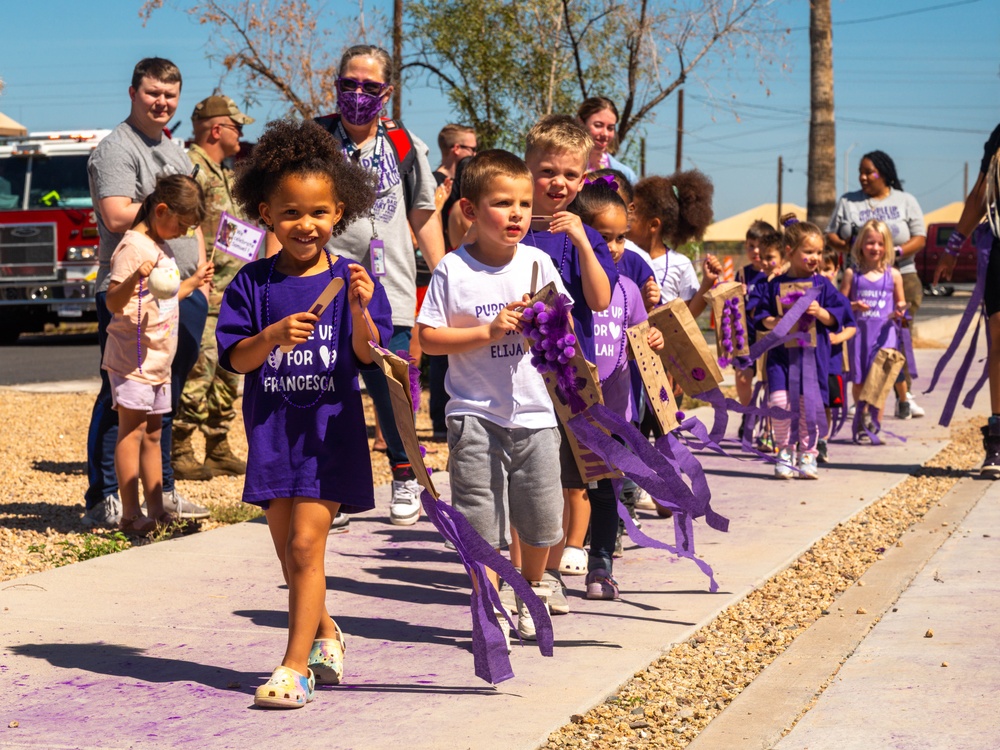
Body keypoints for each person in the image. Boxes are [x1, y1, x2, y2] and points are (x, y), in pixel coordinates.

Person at [216, 119, 392, 709]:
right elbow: (236, 359)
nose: (305, 225)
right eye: (291, 212)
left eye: (318, 212)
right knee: (288, 550)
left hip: (328, 435)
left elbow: (371, 354)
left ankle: (295, 668)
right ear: (265, 212)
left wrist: (364, 311)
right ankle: (326, 632)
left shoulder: (351, 279)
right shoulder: (252, 283)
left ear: (339, 211)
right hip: (272, 434)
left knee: (304, 547)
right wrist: (270, 335)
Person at [416, 149, 567, 642]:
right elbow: (428, 339)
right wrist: (487, 330)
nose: (518, 213)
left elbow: (563, 329)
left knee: (543, 518)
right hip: (473, 414)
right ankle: (493, 599)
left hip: (537, 413)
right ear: (469, 211)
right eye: (503, 202)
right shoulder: (452, 271)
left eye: (524, 202)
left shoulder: (538, 263)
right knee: (482, 522)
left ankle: (534, 587)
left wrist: (543, 323)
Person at [314, 44, 446, 526]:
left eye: (369, 86)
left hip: (388, 286)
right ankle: (338, 486)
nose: (357, 94)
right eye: (349, 83)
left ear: (386, 93)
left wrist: (447, 274)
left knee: (391, 387)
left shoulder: (406, 146)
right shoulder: (315, 141)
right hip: (323, 284)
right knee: (331, 387)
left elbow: (423, 215)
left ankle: (405, 475)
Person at [84, 57, 212, 527]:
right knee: (119, 398)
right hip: (131, 296)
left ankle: (163, 493)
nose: (162, 102)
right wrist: (167, 209)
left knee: (164, 395)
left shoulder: (176, 151)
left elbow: (192, 214)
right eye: (153, 93)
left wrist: (196, 266)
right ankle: (108, 497)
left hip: (179, 294)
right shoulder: (116, 150)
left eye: (170, 95)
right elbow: (117, 214)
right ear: (133, 92)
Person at [520, 114, 617, 612]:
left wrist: (582, 241)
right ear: (527, 167)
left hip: (566, 376)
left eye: (570, 175)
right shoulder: (509, 226)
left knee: (564, 477)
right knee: (524, 476)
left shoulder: (582, 235)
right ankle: (522, 572)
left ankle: (551, 571)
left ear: (583, 179)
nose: (558, 183)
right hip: (514, 373)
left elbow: (600, 301)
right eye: (547, 171)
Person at [567, 177, 664, 598]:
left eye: (622, 237)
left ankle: (601, 565)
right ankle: (558, 555)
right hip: (572, 409)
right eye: (604, 237)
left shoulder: (627, 290)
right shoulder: (571, 287)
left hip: (616, 412)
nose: (617, 247)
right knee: (570, 486)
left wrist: (652, 338)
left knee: (606, 489)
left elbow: (642, 337)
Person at [104, 175, 211, 535]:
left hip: (158, 360)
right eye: (180, 225)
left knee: (153, 433)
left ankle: (157, 510)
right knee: (131, 433)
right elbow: (113, 301)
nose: (181, 233)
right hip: (133, 360)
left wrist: (193, 283)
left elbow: (161, 300)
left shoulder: (160, 246)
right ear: (161, 209)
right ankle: (130, 514)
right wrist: (135, 276)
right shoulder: (133, 247)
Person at [172, 95, 256, 481]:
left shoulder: (223, 172)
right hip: (206, 292)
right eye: (238, 127)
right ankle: (179, 445)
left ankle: (217, 445)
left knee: (227, 374)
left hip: (232, 295)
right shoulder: (194, 171)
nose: (242, 134)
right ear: (217, 130)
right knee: (198, 372)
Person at [826, 150, 926, 420]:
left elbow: (920, 237)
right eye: (861, 171)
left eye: (870, 172)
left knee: (894, 338)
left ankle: (903, 397)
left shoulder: (904, 201)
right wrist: (854, 247)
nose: (863, 177)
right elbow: (831, 234)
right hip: (859, 276)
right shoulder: (849, 201)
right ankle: (861, 398)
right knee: (859, 341)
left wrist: (893, 253)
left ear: (885, 173)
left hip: (901, 275)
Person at [750, 217, 853, 479]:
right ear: (790, 252)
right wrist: (772, 320)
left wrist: (821, 313)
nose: (815, 257)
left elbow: (842, 315)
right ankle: (784, 451)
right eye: (808, 252)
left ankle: (808, 453)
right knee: (779, 402)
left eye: (818, 252)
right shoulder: (772, 284)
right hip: (780, 356)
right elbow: (757, 311)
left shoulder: (823, 286)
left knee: (809, 406)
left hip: (811, 357)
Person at [934, 121, 1000, 477]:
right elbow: (980, 195)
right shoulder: (999, 137)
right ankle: (998, 440)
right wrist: (952, 248)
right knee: (999, 343)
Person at [841, 219, 907, 439]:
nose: (875, 248)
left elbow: (901, 304)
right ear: (861, 244)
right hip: (859, 337)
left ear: (887, 246)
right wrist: (853, 306)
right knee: (859, 382)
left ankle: (874, 426)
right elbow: (840, 305)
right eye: (870, 243)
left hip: (884, 338)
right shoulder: (853, 274)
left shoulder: (894, 275)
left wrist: (900, 311)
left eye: (880, 244)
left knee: (879, 382)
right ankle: (861, 420)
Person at [627, 172, 721, 317]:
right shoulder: (621, 254)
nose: (626, 216)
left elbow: (688, 315)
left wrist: (707, 282)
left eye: (633, 211)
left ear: (653, 225)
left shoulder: (681, 264)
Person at [818, 248, 855, 463]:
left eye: (828, 269)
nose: (823, 274)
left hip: (832, 363)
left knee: (827, 405)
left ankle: (822, 440)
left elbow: (852, 327)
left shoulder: (839, 298)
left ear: (836, 270)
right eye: (819, 269)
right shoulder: (807, 296)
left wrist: (838, 338)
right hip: (811, 361)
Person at [577, 97, 638, 185]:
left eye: (610, 128)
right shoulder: (563, 167)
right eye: (598, 125)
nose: (605, 134)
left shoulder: (626, 176)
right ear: (581, 123)